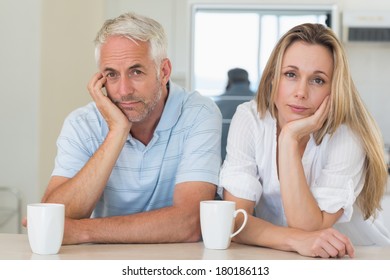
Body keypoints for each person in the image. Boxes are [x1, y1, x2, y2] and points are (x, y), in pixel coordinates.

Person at [36, 12, 222, 244]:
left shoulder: (199, 113)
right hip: (105, 262)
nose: (123, 91)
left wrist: (85, 231)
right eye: (111, 75)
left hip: (178, 262)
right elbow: (52, 218)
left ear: (163, 72)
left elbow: (190, 222)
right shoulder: (82, 123)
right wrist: (117, 132)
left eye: (136, 72)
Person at [219, 23, 390, 258]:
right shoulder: (250, 119)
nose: (301, 92)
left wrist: (289, 139)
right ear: (271, 79)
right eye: (291, 74)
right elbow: (236, 220)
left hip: (356, 257)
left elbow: (309, 228)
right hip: (287, 253)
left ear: (335, 88)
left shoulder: (347, 136)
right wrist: (292, 240)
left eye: (317, 80)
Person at [214, 68, 255, 161]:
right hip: (255, 162)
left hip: (223, 160)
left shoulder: (217, 104)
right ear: (247, 81)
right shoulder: (260, 102)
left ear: (229, 81)